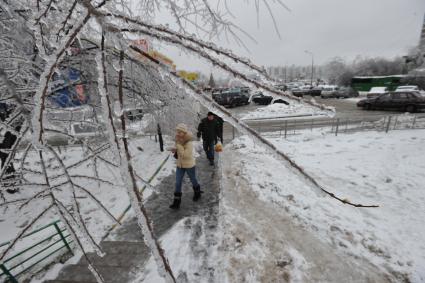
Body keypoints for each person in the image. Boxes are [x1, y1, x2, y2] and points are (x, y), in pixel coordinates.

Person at [169, 123, 201, 209]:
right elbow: (180, 152)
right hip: (180, 165)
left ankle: (197, 193)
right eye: (177, 131)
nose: (178, 133)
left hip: (189, 165)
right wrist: (175, 150)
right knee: (178, 183)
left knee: (193, 179)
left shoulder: (189, 143)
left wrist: (178, 147)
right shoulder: (178, 140)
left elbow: (186, 155)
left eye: (180, 132)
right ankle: (176, 202)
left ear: (184, 132)